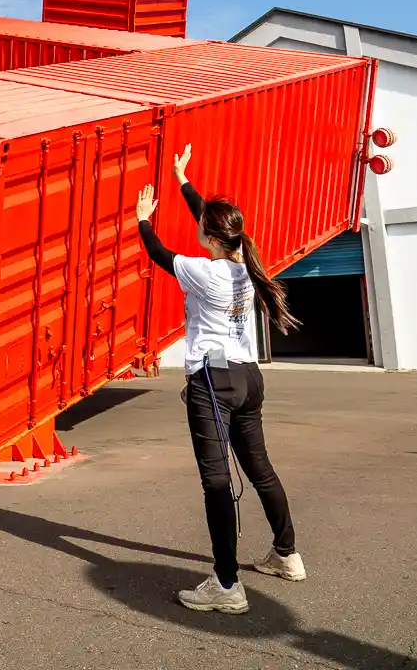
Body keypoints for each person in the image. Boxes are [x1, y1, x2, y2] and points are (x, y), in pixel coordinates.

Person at [134, 143, 306, 615]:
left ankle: (227, 585)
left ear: (209, 237)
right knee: (259, 468)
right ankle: (286, 555)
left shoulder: (203, 271)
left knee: (216, 481)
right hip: (249, 377)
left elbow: (158, 253)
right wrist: (181, 179)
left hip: (215, 380)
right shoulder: (247, 266)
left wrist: (143, 217)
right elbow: (210, 221)